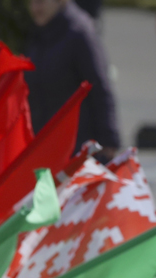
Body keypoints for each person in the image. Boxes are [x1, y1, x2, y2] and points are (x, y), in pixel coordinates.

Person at [25, 0, 120, 163]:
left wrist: (108, 140)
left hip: (77, 152)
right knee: (44, 189)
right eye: (32, 2)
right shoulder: (39, 36)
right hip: (43, 150)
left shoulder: (79, 32)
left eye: (40, 1)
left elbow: (99, 87)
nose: (35, 8)